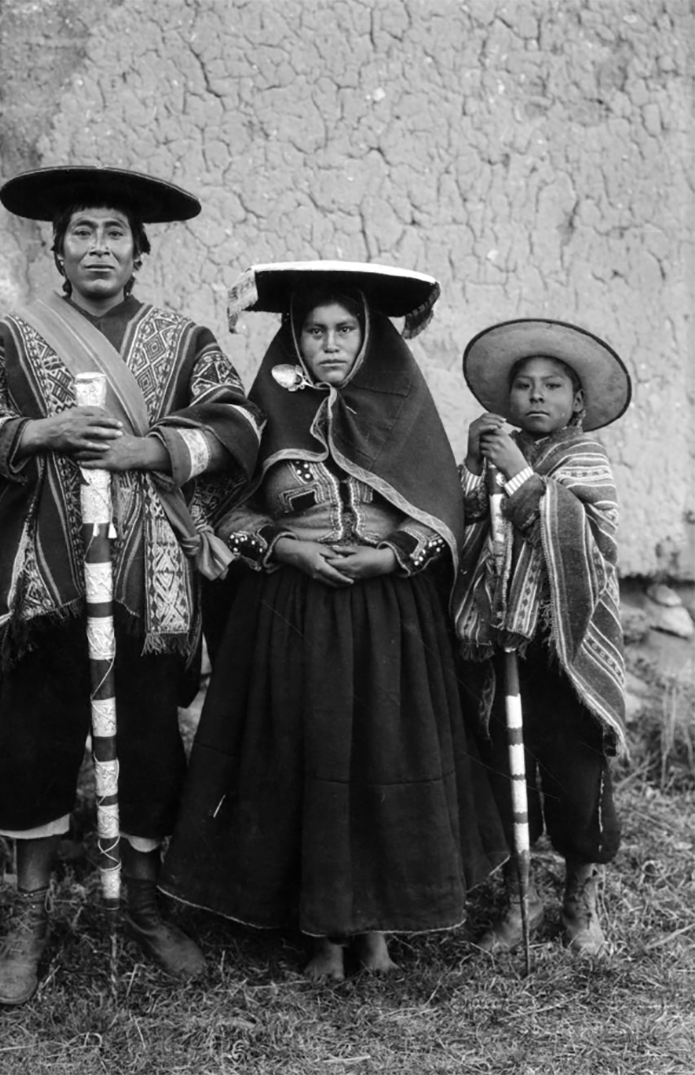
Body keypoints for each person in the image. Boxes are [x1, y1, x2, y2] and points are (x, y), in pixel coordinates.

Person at [0, 166, 263, 1005]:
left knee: (152, 741)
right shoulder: (14, 341)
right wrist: (35, 431)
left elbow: (237, 422)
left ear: (140, 251)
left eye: (115, 232)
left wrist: (149, 451)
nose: (98, 247)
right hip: (47, 582)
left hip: (149, 586)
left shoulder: (183, 340)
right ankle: (29, 914)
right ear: (57, 247)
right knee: (35, 740)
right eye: (81, 231)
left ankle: (146, 905)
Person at [159, 261, 508, 980]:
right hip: (292, 614)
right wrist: (285, 545)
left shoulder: (405, 408)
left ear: (369, 334)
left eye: (346, 329)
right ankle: (320, 930)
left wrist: (390, 557)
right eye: (314, 330)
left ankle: (376, 928)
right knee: (304, 753)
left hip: (390, 618)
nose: (330, 343)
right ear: (294, 335)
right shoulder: (264, 412)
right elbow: (229, 505)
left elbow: (441, 509)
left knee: (385, 751)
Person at [451, 318, 632, 957]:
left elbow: (593, 541)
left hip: (563, 652)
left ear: (577, 402)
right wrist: (477, 466)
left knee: (577, 779)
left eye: (553, 385)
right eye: (524, 385)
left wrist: (524, 479)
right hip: (503, 646)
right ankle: (519, 901)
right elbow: (462, 519)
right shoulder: (496, 452)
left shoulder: (583, 458)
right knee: (509, 771)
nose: (536, 396)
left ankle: (581, 904)